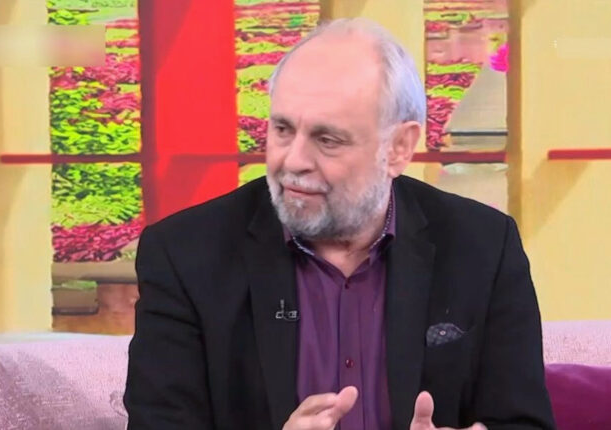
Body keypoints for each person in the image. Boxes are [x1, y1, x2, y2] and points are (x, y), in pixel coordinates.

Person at [124, 18, 555, 430]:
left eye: (327, 139)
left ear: (399, 148)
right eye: (282, 129)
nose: (293, 161)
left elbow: (523, 422)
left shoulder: (483, 247)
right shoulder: (185, 256)